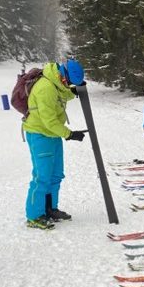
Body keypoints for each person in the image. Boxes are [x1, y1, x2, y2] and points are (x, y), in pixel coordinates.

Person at [22, 59, 86, 229]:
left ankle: (50, 208)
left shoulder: (56, 81)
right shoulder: (45, 88)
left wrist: (73, 91)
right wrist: (70, 134)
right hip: (40, 135)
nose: (69, 85)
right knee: (41, 177)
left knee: (56, 175)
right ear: (64, 77)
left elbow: (62, 94)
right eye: (70, 82)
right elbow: (49, 120)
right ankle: (34, 215)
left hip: (53, 135)